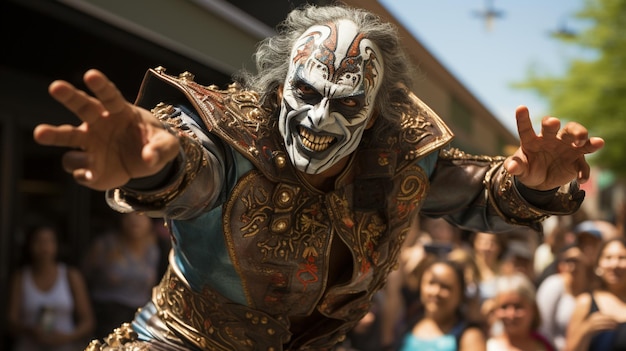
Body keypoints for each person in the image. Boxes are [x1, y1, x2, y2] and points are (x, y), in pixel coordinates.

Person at [32, 4, 604, 350]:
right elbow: (195, 174)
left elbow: (477, 193)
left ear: (377, 112)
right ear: (280, 87)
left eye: (346, 102)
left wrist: (532, 183)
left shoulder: (401, 155)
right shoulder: (233, 136)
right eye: (305, 93)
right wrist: (156, 166)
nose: (318, 117)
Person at [7, 222, 95, 351]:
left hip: (65, 346)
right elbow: (10, 321)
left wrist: (67, 337)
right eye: (39, 241)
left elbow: (88, 321)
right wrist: (30, 330)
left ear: (57, 245)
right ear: (29, 245)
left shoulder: (71, 276)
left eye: (49, 241)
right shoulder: (20, 278)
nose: (44, 247)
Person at [81, 212, 164, 341]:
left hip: (141, 319)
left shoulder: (155, 248)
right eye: (129, 214)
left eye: (141, 214)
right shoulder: (104, 245)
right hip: (107, 317)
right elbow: (83, 277)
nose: (135, 220)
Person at [396, 259, 486, 351]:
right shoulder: (408, 326)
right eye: (431, 283)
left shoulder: (470, 336)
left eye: (445, 287)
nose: (436, 292)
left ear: (460, 294)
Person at [565, 237, 626, 351]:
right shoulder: (585, 302)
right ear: (598, 265)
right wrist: (586, 330)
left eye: (622, 258)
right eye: (608, 257)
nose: (614, 264)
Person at [536, 242, 590, 350]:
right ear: (560, 266)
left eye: (576, 260)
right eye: (567, 261)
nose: (572, 266)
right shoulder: (553, 285)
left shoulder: (592, 289)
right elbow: (542, 328)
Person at [486, 273, 555, 351]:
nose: (511, 314)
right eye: (504, 307)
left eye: (518, 307)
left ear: (533, 309)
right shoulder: (488, 347)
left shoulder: (544, 346)